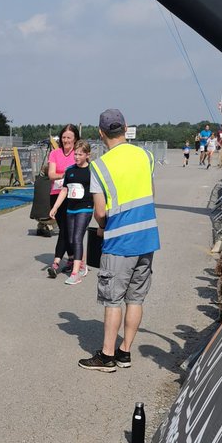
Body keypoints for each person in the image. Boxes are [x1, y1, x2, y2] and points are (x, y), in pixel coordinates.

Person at [78, 109, 159, 373]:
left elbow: (100, 212)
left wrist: (103, 227)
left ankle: (107, 356)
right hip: (147, 237)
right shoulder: (145, 156)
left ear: (101, 133)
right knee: (135, 299)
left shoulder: (100, 166)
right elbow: (150, 193)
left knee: (113, 300)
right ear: (125, 127)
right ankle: (125, 352)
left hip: (119, 241)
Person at [47, 138, 95, 284]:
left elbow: (98, 191)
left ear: (87, 155)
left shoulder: (92, 170)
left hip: (85, 207)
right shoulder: (70, 170)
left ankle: (75, 273)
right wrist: (55, 207)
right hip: (71, 208)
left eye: (80, 154)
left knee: (77, 237)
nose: (77, 157)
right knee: (70, 238)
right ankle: (81, 265)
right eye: (75, 154)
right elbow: (64, 189)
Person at [46, 125, 78, 267]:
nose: (66, 140)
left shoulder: (77, 153)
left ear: (75, 139)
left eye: (69, 138)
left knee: (66, 229)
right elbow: (51, 174)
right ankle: (71, 257)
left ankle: (56, 261)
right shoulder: (55, 153)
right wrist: (65, 175)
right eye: (64, 137)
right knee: (64, 228)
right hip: (56, 194)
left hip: (72, 195)